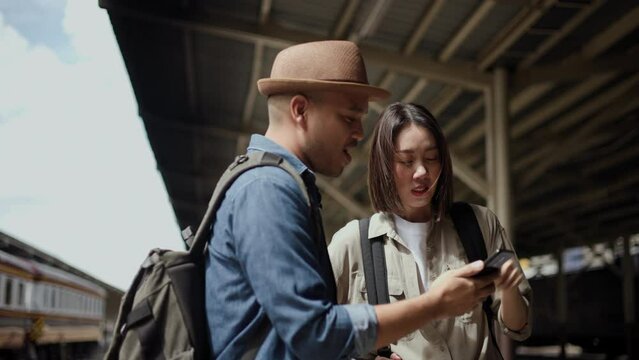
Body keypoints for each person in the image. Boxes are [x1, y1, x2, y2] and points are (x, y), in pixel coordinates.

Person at [205, 41, 498, 360]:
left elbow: (287, 338)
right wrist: (434, 304)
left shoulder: (281, 184)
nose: (360, 133)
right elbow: (314, 333)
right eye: (348, 118)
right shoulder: (266, 189)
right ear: (300, 110)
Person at [329, 102, 533, 360]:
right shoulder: (352, 245)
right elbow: (307, 335)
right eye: (406, 160)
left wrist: (509, 288)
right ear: (384, 166)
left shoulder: (479, 225)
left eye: (432, 158)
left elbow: (518, 328)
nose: (422, 172)